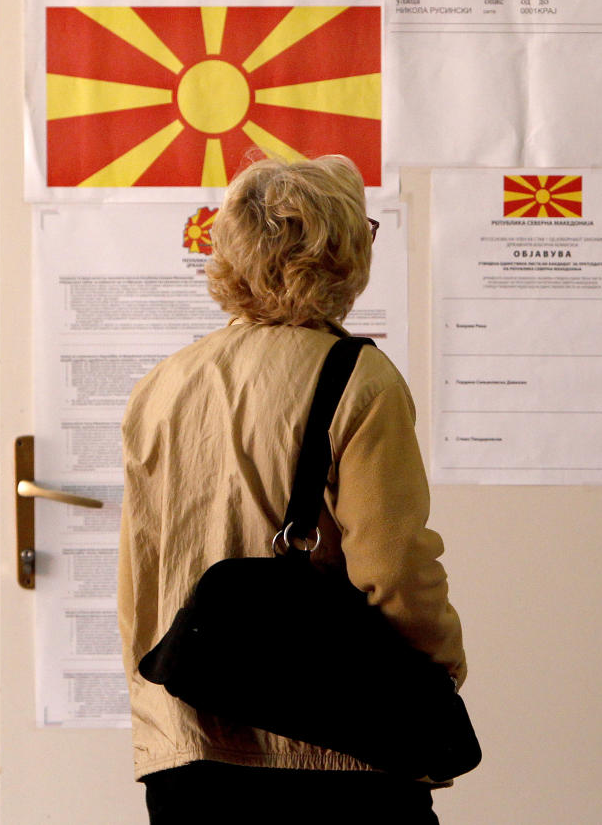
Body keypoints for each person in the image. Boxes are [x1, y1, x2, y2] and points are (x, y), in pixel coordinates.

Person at [118, 155, 467, 824]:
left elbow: (140, 576)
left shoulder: (161, 384)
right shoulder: (359, 379)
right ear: (342, 249)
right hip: (336, 758)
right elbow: (393, 568)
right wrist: (441, 666)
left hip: (186, 755)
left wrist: (159, 724)